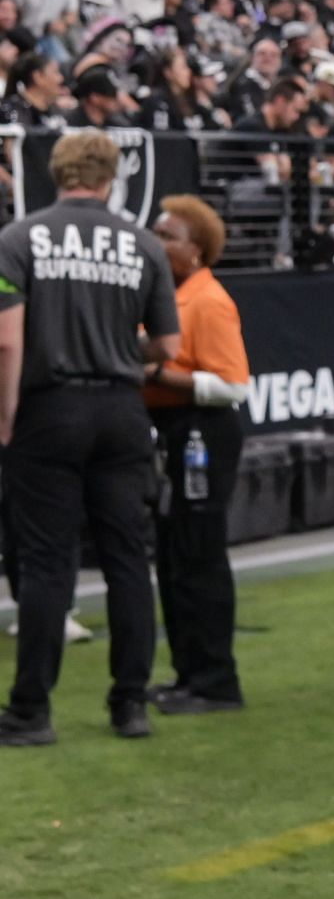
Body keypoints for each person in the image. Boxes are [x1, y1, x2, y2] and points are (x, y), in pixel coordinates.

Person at [0, 130, 178, 746]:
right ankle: (130, 705)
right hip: (121, 409)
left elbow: (7, 339)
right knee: (129, 560)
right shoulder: (145, 244)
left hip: (48, 408)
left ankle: (31, 711)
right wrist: (117, 349)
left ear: (57, 173)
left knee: (47, 564)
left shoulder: (20, 238)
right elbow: (167, 345)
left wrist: (6, 417)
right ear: (111, 178)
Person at [144, 196, 250, 715]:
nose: (158, 242)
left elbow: (233, 386)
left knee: (199, 554)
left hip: (202, 434)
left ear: (197, 249)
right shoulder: (174, 294)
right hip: (175, 430)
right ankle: (188, 674)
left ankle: (215, 681)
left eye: (169, 236)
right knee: (174, 554)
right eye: (157, 233)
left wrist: (156, 375)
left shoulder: (207, 301)